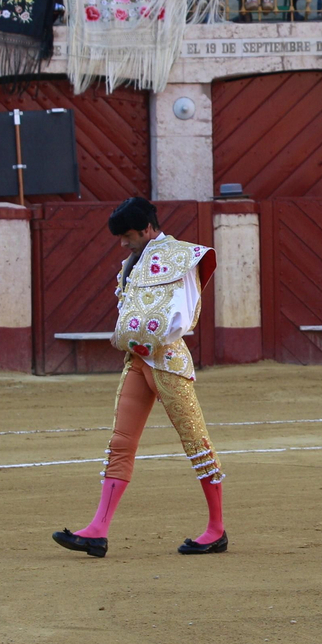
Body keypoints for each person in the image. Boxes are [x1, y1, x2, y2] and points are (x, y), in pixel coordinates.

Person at [53, 198, 227, 559]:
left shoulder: (183, 256)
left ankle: (216, 530)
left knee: (196, 442)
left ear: (148, 228)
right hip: (138, 361)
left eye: (128, 235)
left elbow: (185, 313)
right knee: (121, 442)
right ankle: (97, 531)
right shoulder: (130, 263)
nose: (123, 243)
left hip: (168, 361)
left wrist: (147, 335)